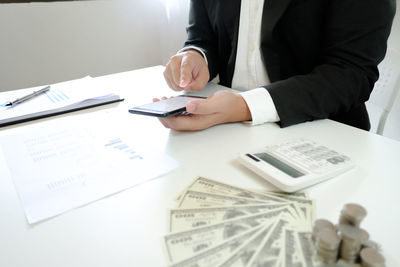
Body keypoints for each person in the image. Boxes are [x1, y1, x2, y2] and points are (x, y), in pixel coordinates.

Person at [158, 0, 396, 131]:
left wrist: (244, 106)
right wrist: (195, 55)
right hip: (225, 128)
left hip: (320, 129)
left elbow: (350, 73)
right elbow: (203, 37)